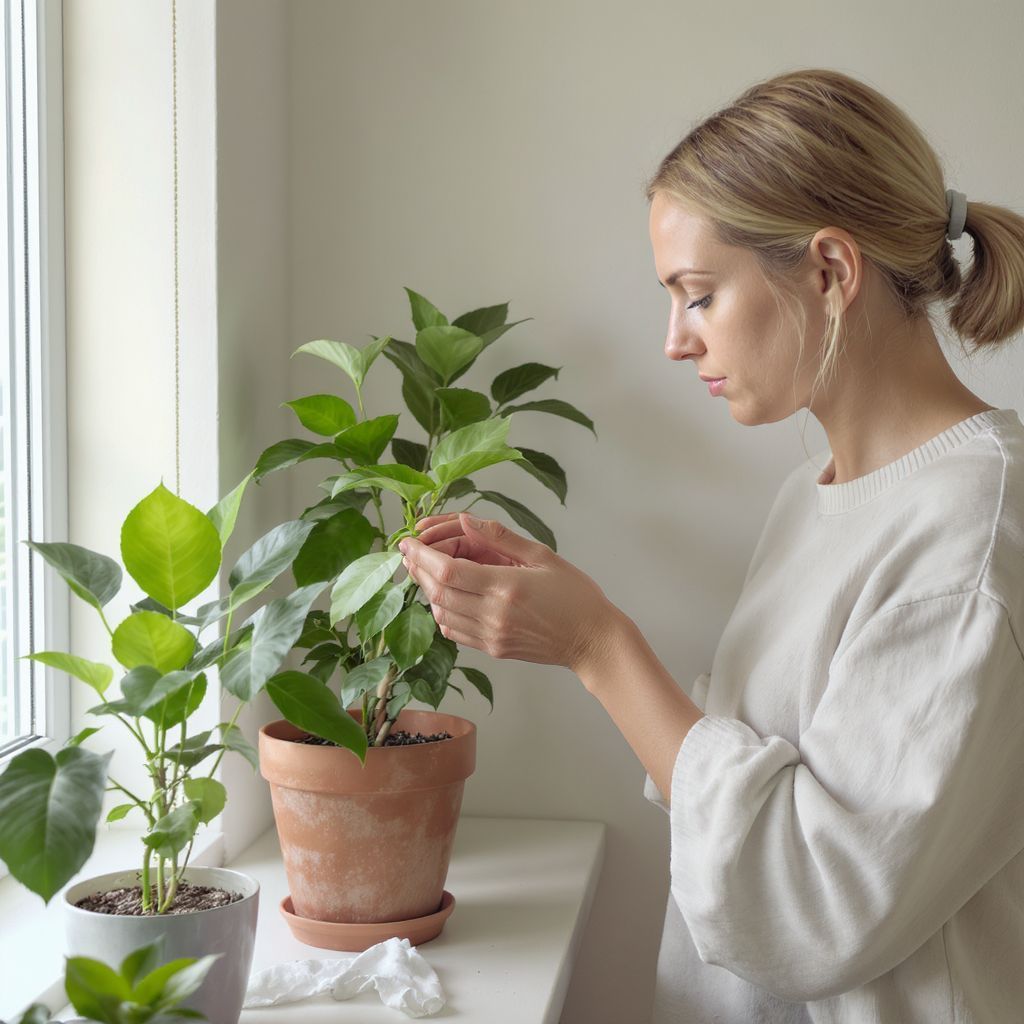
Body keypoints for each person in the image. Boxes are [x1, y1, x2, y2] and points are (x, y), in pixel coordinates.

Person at [397, 67, 1024, 1023]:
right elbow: (759, 774)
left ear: (829, 271)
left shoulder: (972, 540)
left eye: (698, 295)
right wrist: (579, 625)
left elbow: (817, 906)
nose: (674, 342)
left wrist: (597, 648)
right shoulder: (814, 496)